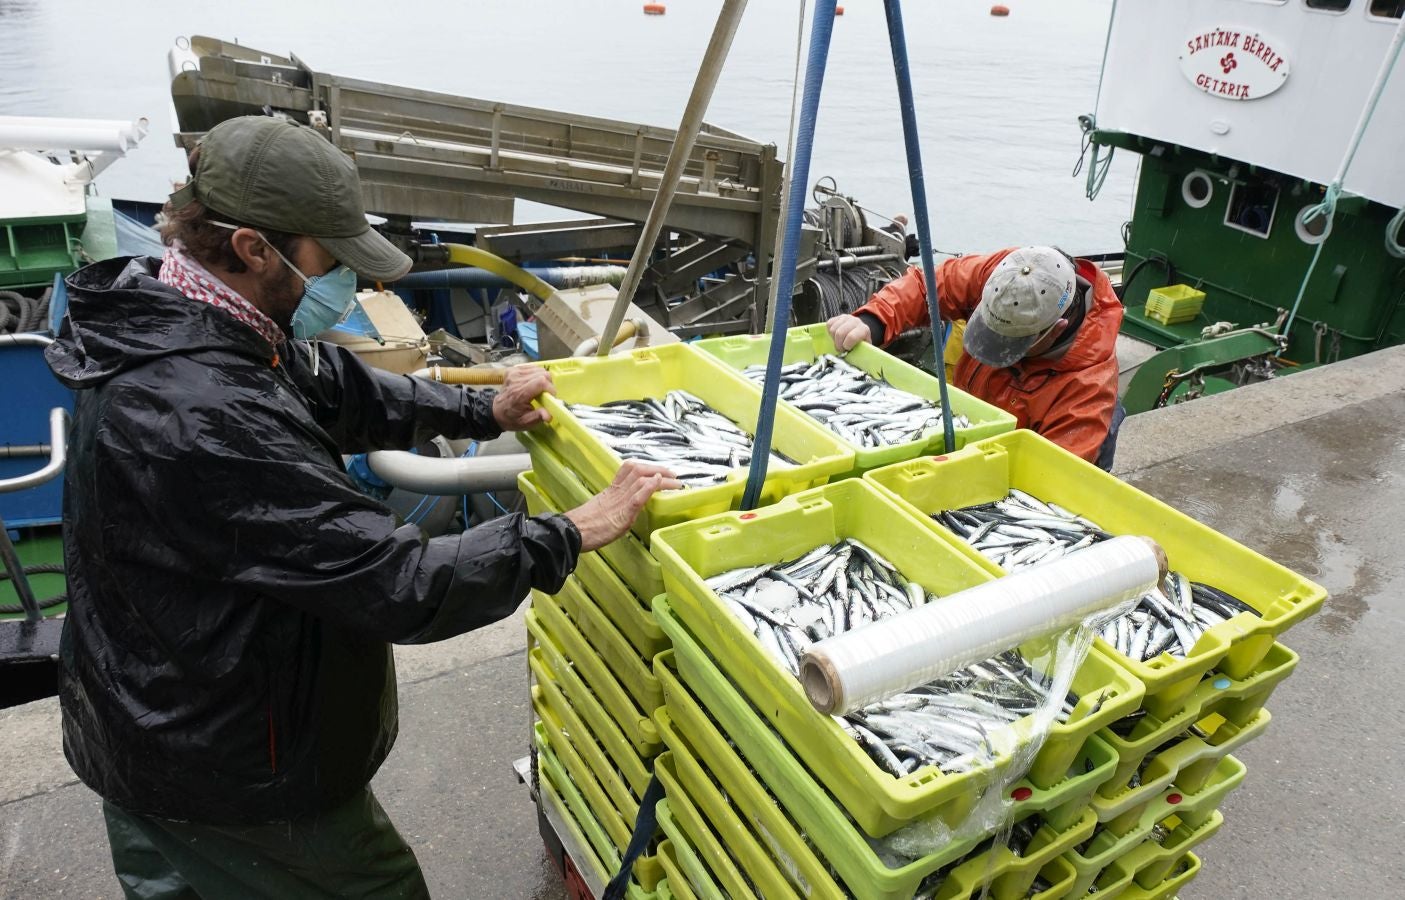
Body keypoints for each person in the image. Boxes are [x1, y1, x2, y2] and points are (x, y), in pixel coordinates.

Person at [45, 115, 680, 899]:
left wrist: (479, 411)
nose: (348, 279)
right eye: (332, 258)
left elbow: (323, 385)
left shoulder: (178, 312)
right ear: (252, 247)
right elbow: (398, 584)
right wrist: (569, 531)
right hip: (229, 768)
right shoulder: (202, 413)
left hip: (146, 717)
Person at [828, 246, 1125, 469]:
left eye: (1011, 341)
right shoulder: (1010, 274)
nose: (994, 348)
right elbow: (928, 285)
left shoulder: (1087, 391)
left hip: (1006, 465)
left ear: (1057, 328)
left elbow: (1046, 477)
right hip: (964, 429)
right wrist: (873, 321)